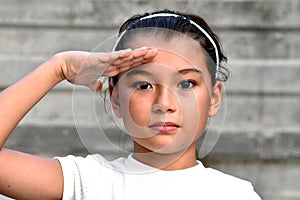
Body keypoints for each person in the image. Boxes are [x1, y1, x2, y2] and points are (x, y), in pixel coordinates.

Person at [0, 10, 261, 200]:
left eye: (185, 84)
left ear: (214, 98)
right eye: (144, 85)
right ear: (115, 98)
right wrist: (58, 68)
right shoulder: (86, 182)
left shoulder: (235, 194)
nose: (164, 104)